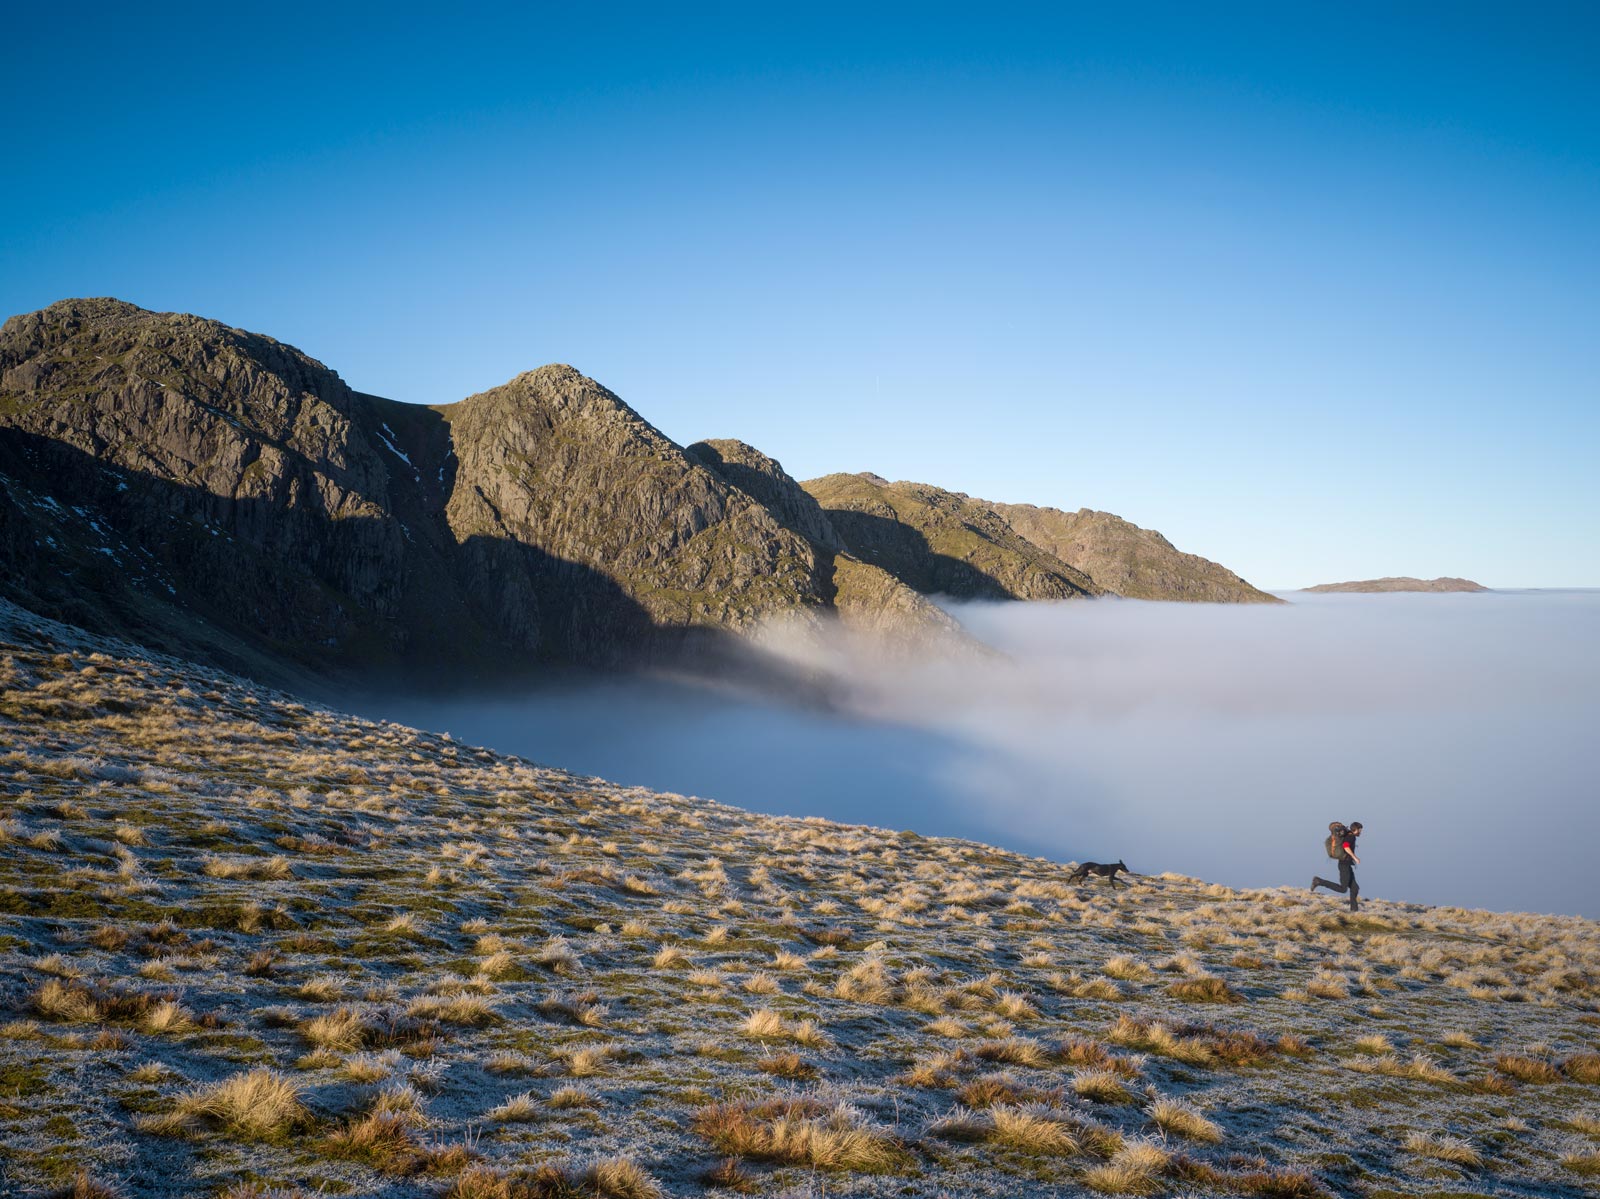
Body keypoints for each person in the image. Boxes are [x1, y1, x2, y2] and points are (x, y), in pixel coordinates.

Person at [1311, 821, 1363, 911]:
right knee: (1343, 889)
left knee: (1355, 888)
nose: (1361, 832)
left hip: (1346, 865)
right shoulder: (1351, 837)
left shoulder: (1348, 835)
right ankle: (1318, 881)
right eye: (1360, 830)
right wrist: (1355, 857)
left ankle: (1354, 911)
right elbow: (1346, 846)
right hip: (1344, 865)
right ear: (1356, 830)